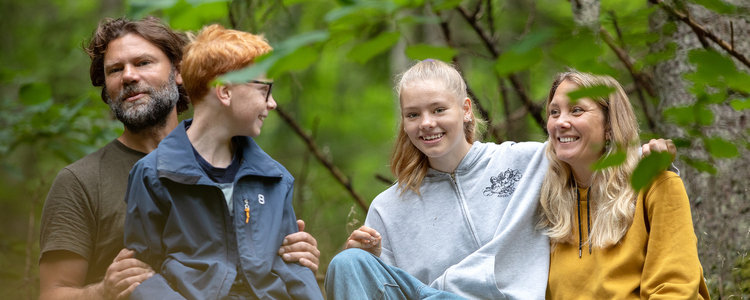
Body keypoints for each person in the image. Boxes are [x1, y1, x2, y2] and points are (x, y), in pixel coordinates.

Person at [325, 60, 678, 300]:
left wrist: (643, 159)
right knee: (346, 263)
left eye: (438, 110)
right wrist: (368, 258)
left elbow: (589, 154)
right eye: (413, 115)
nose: (426, 123)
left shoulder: (528, 161)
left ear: (465, 109)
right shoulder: (388, 207)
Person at [38, 16, 319, 300]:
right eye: (114, 69)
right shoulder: (80, 181)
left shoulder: (258, 170)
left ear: (179, 71)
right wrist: (104, 291)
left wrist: (291, 258)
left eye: (143, 63)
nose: (128, 76)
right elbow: (52, 294)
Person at [123, 24, 323, 299]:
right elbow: (141, 274)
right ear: (225, 92)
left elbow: (294, 268)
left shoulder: (275, 179)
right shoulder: (153, 175)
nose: (273, 103)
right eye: (264, 89)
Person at [539, 70, 710, 299]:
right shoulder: (546, 203)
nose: (560, 122)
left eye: (576, 110)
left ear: (610, 127)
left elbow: (674, 289)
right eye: (554, 112)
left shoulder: (656, 185)